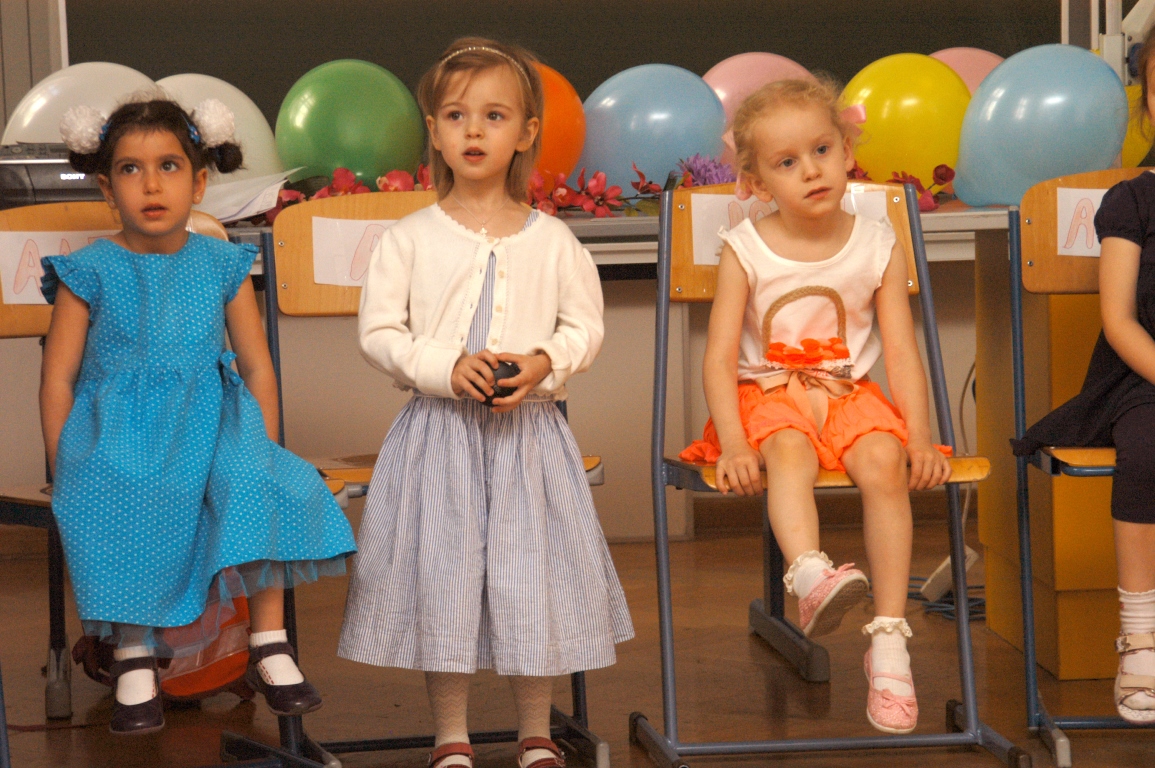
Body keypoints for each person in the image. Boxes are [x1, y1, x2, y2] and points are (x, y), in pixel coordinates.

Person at [338, 38, 632, 768]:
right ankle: (451, 736)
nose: (473, 130)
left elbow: (584, 327)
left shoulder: (554, 240)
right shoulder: (408, 238)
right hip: (438, 439)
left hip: (527, 442)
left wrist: (542, 363)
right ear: (434, 131)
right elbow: (380, 333)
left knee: (530, 578)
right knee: (447, 583)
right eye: (455, 115)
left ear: (526, 133)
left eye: (494, 116)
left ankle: (536, 730)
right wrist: (444, 367)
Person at [40, 96, 356, 735]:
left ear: (200, 181)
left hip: (213, 424)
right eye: (130, 170)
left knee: (257, 478)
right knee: (120, 486)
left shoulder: (220, 264)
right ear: (107, 189)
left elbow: (257, 366)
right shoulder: (89, 271)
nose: (152, 185)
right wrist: (61, 459)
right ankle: (134, 650)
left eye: (169, 166)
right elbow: (59, 377)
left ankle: (268, 642)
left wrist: (263, 441)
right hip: (122, 434)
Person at [680, 78, 952, 734]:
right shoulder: (745, 248)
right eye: (787, 161)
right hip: (768, 396)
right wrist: (734, 444)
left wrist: (919, 435)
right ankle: (808, 576)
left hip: (846, 392)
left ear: (846, 150)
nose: (811, 170)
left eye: (822, 150)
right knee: (788, 450)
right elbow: (719, 357)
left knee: (884, 460)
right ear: (756, 183)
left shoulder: (876, 242)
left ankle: (888, 640)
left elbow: (901, 351)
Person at [1012, 28, 1155, 726]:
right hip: (1141, 378)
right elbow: (1119, 321)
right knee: (1147, 447)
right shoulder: (1132, 202)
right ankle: (1141, 638)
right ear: (1147, 106)